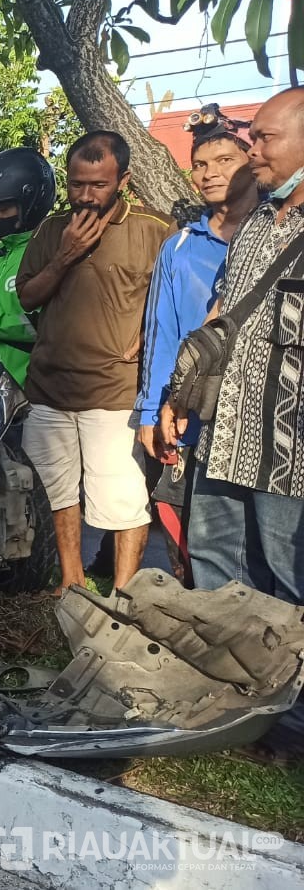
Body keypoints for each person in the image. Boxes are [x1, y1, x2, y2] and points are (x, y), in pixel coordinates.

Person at [16, 130, 176, 593]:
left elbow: (182, 301)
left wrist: (151, 329)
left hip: (115, 392)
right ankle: (72, 581)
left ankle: (124, 595)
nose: (85, 196)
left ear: (123, 180)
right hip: (48, 390)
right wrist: (64, 255)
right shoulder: (51, 231)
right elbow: (28, 297)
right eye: (76, 184)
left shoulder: (155, 229)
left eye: (98, 185)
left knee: (123, 500)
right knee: (56, 493)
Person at [166, 87, 304, 604]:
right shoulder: (256, 224)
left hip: (291, 454)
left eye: (266, 139)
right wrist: (177, 397)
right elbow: (221, 314)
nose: (255, 152)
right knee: (216, 569)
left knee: (291, 580)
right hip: (224, 439)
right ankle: (235, 681)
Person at [135, 106, 260, 583]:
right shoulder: (182, 245)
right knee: (194, 533)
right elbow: (162, 332)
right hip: (190, 409)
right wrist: (151, 411)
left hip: (262, 408)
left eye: (225, 161)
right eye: (201, 165)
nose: (210, 175)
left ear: (252, 163)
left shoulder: (280, 234)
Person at [0, 148, 58, 386]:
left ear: (32, 202)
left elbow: (47, 327)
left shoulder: (50, 254)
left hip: (26, 390)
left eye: (3, 209)